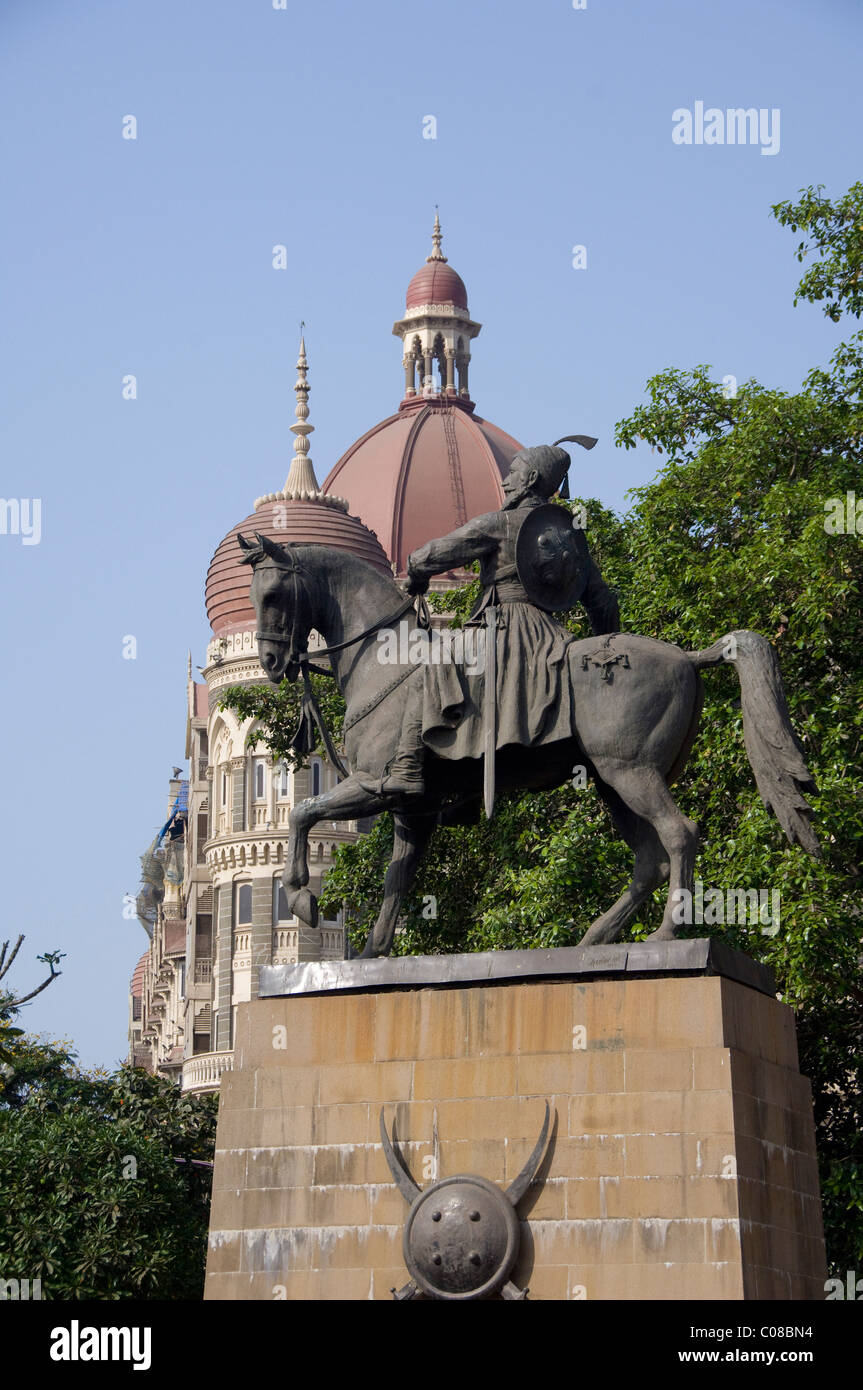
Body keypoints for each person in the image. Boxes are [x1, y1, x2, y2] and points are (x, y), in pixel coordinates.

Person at [383, 443, 620, 796]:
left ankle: (407, 767)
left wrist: (416, 575)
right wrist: (606, 649)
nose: (506, 481)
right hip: (549, 636)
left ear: (531, 479)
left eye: (513, 473)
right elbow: (602, 601)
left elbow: (429, 555)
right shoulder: (570, 536)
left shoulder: (499, 523)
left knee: (430, 664)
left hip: (500, 628)